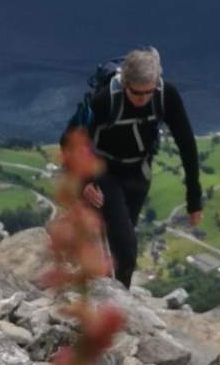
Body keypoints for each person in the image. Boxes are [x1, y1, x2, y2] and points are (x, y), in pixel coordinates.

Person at [64, 47, 203, 287]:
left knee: (122, 238)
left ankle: (109, 293)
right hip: (104, 171)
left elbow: (187, 144)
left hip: (139, 172)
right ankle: (118, 302)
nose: (143, 99)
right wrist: (84, 182)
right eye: (136, 93)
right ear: (126, 83)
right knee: (127, 248)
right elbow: (69, 140)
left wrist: (194, 200)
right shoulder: (105, 99)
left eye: (148, 92)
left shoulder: (165, 95)